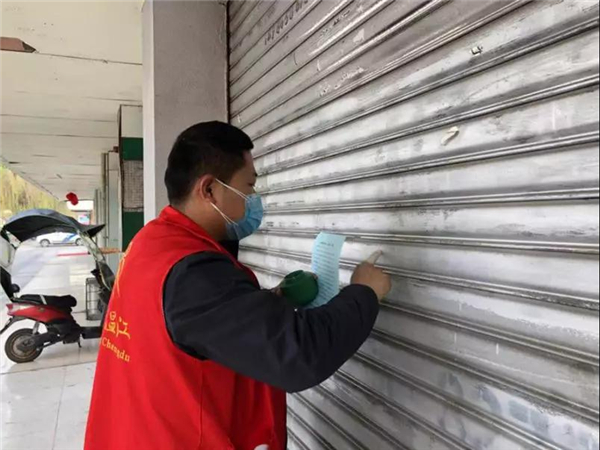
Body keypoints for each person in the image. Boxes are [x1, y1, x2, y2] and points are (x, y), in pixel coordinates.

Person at [85, 121, 391, 450]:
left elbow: (192, 324)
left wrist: (271, 301)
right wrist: (364, 292)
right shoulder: (192, 272)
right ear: (209, 190)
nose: (253, 199)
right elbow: (297, 356)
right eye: (248, 186)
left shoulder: (151, 243)